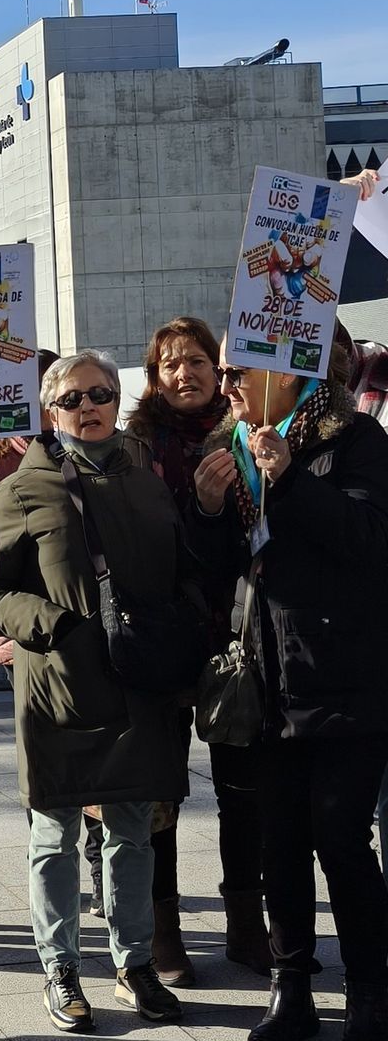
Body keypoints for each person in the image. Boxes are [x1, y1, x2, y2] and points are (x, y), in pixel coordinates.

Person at [0, 350, 196, 1033]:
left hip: (138, 686)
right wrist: (55, 628)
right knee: (55, 835)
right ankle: (62, 969)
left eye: (102, 393)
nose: (89, 406)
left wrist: (183, 631)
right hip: (60, 687)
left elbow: (181, 568)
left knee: (132, 833)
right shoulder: (20, 488)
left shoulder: (146, 479)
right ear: (50, 411)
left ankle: (133, 966)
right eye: (73, 399)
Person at [187, 331, 388, 1041]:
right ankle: (292, 990)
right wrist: (208, 514)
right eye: (225, 367)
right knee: (280, 842)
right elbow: (221, 571)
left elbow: (367, 537)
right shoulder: (230, 447)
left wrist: (290, 478)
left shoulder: (353, 437)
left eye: (241, 366)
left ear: (293, 372)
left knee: (339, 838)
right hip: (265, 680)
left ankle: (370, 992)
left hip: (345, 675)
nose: (226, 377)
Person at [122, 316, 270, 982]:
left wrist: (216, 510)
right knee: (159, 793)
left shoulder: (245, 434)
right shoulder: (133, 445)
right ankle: (163, 932)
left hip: (231, 640)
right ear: (153, 377)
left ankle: (246, 922)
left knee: (243, 788)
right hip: (155, 644)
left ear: (217, 369)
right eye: (170, 364)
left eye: (197, 362)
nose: (185, 374)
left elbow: (255, 542)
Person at [0, 348, 60, 667]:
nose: (42, 401)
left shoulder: (84, 452)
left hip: (80, 624)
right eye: (30, 390)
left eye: (50, 390)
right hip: (19, 636)